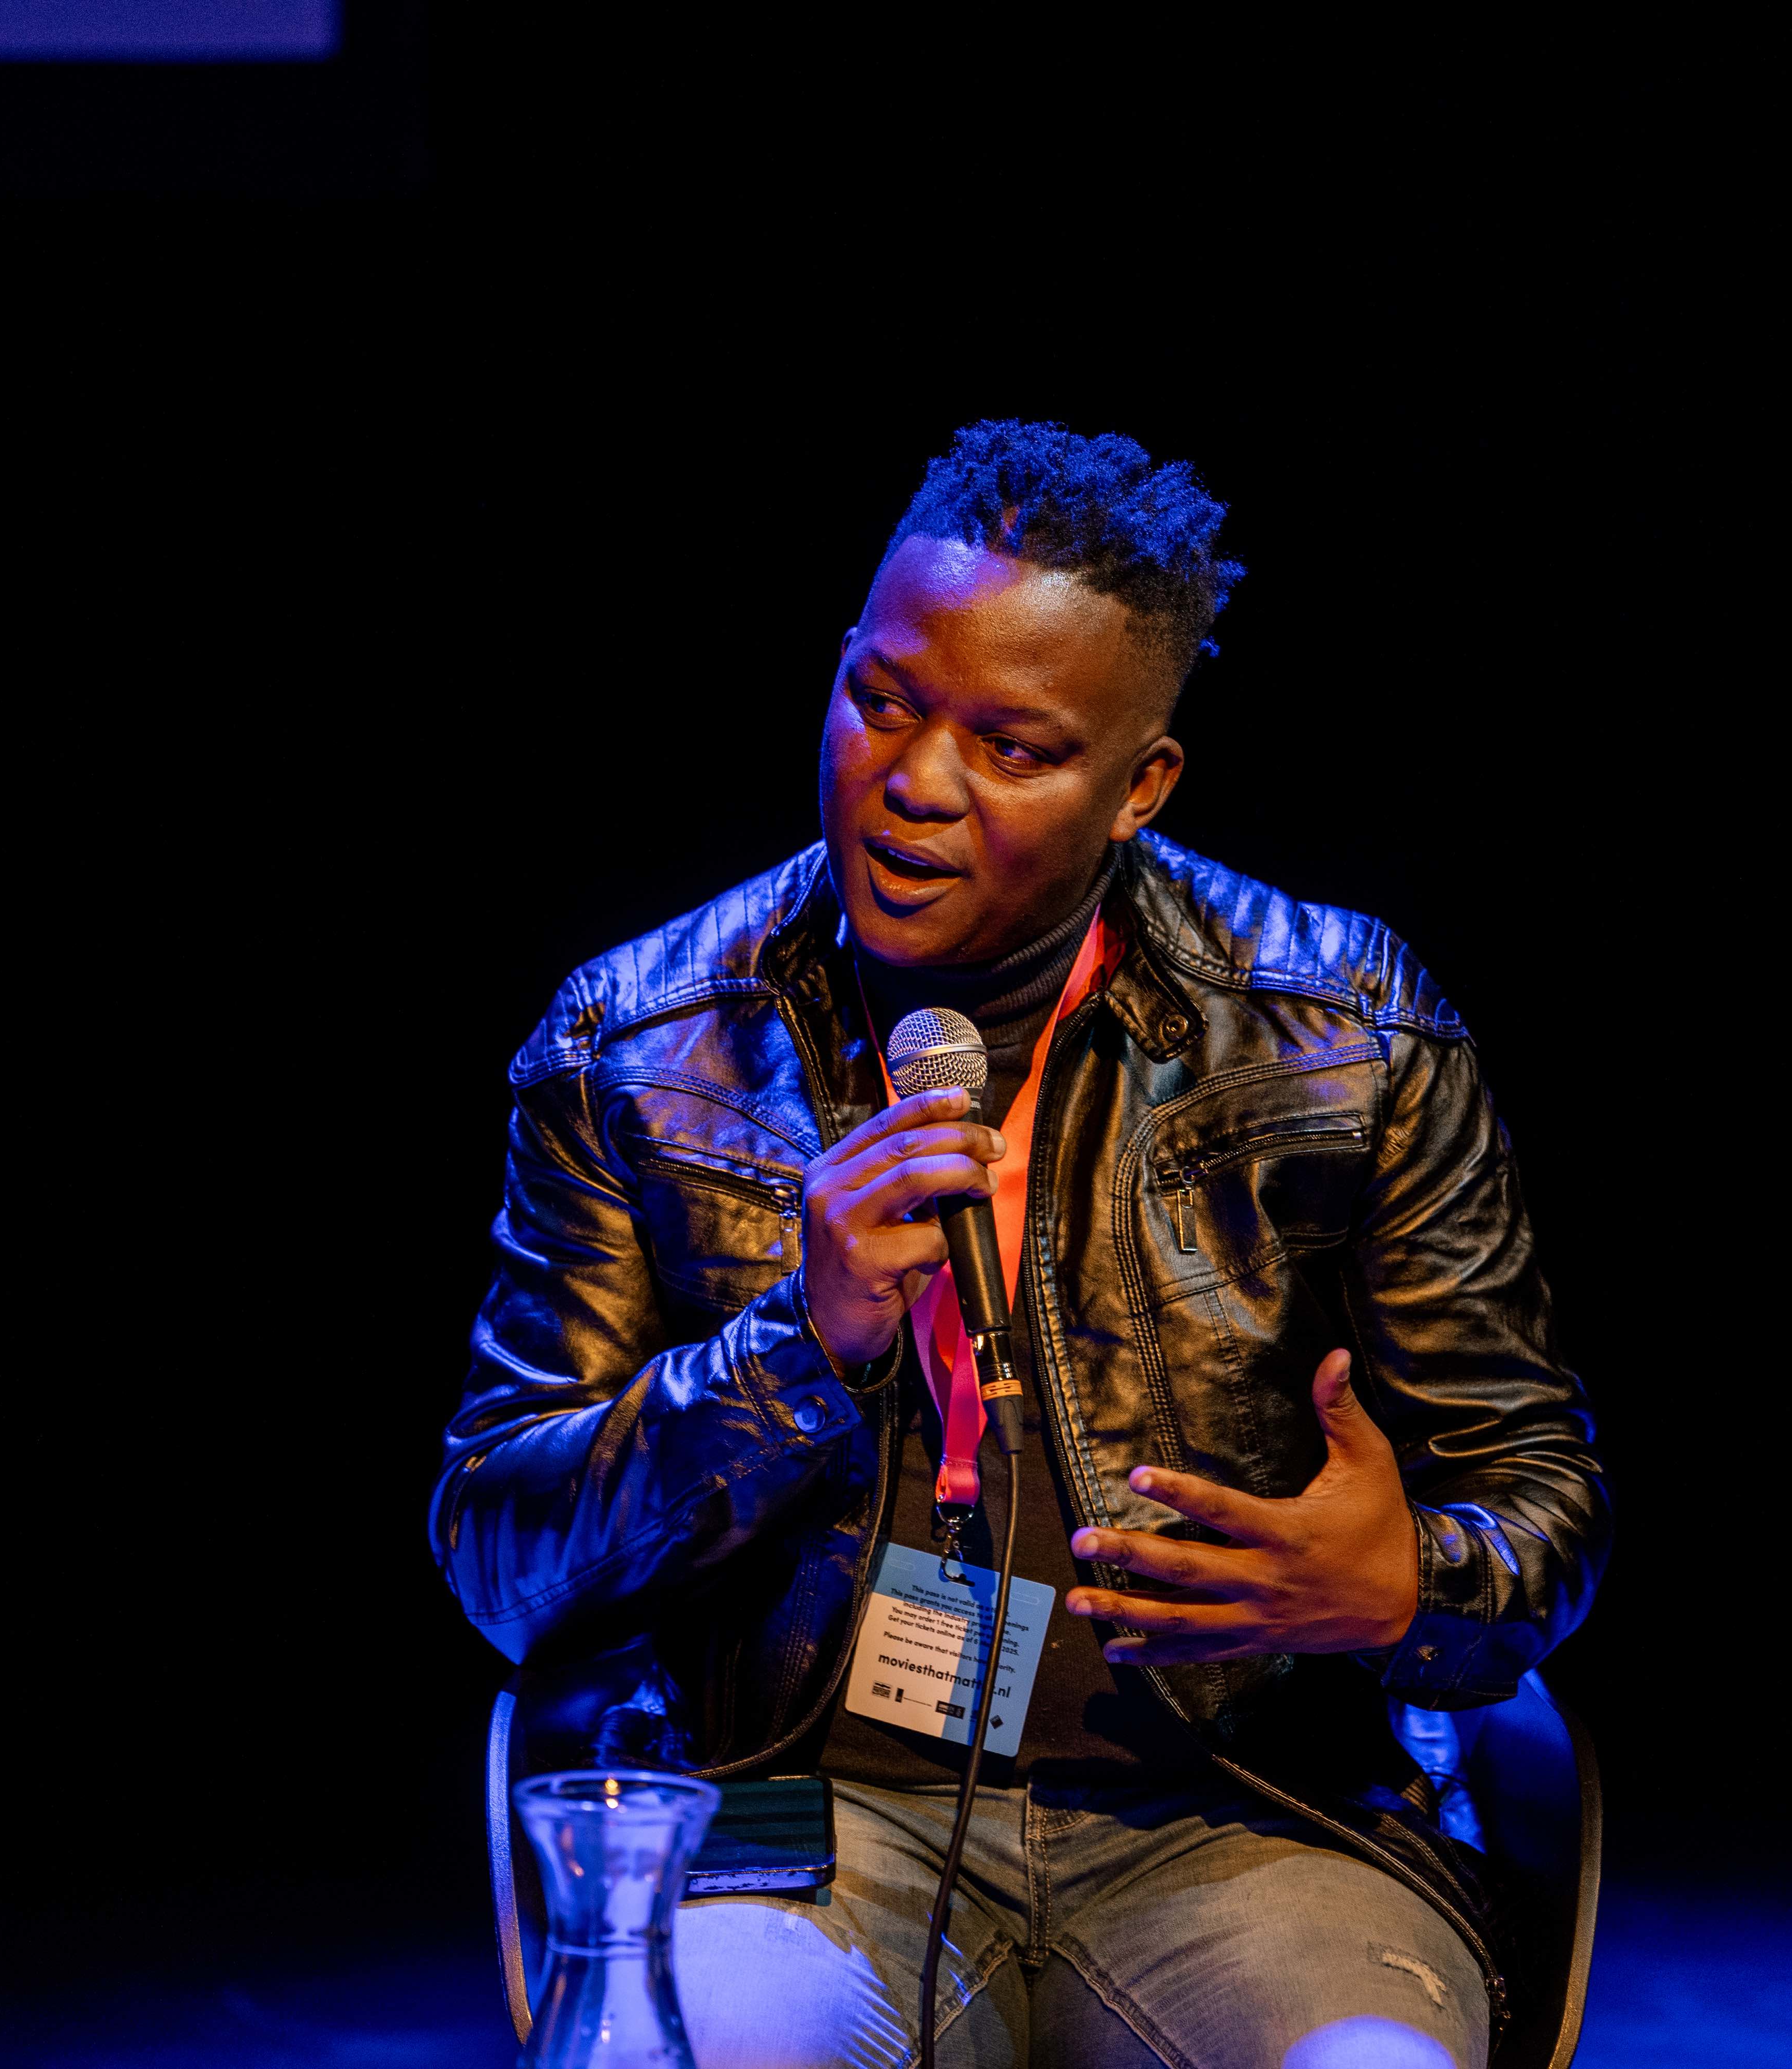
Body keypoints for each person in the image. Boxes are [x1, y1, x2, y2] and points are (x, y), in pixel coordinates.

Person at [431, 421, 1609, 2068]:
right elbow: (502, 1557)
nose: (916, 782)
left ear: (1142, 786)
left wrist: (1406, 1586)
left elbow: (1542, 1498)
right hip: (805, 1823)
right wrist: (796, 1347)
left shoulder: (1347, 1034)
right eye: (882, 700)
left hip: (1242, 1819)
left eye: (1012, 746)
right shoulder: (635, 1047)